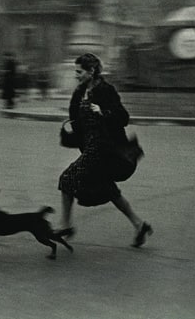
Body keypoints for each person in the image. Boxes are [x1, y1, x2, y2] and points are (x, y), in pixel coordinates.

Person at [56, 53, 153, 247]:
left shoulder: (106, 90)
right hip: (91, 150)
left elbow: (123, 117)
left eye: (79, 71)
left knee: (66, 179)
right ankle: (139, 224)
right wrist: (72, 133)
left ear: (91, 71)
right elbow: (77, 122)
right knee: (109, 191)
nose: (76, 75)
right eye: (76, 71)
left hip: (105, 150)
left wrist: (103, 112)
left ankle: (66, 225)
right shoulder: (79, 92)